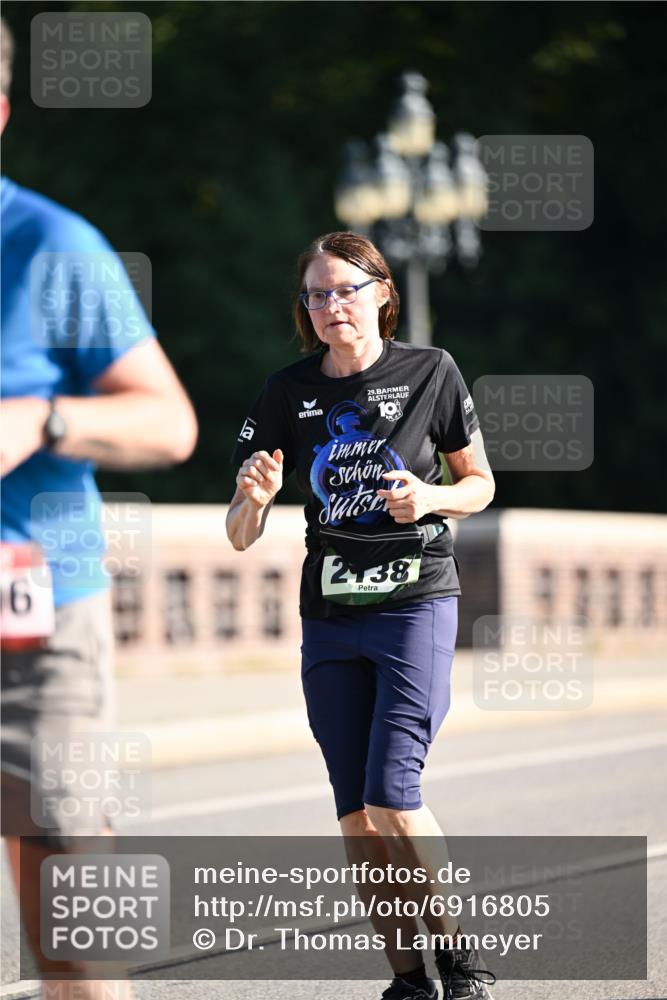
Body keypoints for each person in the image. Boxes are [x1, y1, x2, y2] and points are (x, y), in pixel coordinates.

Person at [227, 231, 496, 1000]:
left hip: (413, 604)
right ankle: (406, 981)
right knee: (354, 818)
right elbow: (239, 535)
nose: (329, 306)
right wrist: (253, 500)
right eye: (315, 295)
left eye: (343, 290)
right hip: (331, 617)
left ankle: (461, 963)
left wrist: (431, 497)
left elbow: (478, 483)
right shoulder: (286, 391)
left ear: (381, 294)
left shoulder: (430, 371)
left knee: (390, 798)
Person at [0, 17, 198, 1000]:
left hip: (30, 636)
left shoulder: (51, 246)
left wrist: (44, 418)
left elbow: (170, 423)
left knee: (72, 939)